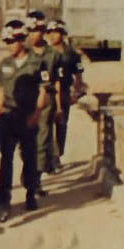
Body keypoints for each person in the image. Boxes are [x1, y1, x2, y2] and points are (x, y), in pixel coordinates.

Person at [0, 19, 49, 221]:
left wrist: (36, 115)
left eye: (13, 41)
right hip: (8, 116)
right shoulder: (3, 64)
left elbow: (43, 91)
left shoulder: (38, 62)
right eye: (6, 41)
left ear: (22, 40)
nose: (9, 45)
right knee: (5, 160)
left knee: (29, 157)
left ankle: (30, 193)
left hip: (27, 116)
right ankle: (4, 201)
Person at [26, 11, 61, 185]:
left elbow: (58, 82)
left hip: (46, 101)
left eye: (38, 30)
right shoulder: (23, 53)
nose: (35, 34)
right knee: (26, 143)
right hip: (26, 102)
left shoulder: (53, 54)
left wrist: (60, 107)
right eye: (31, 30)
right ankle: (30, 173)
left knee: (41, 140)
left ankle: (36, 180)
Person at [46, 19, 84, 166]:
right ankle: (51, 157)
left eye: (56, 33)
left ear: (62, 34)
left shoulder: (72, 54)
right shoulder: (45, 53)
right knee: (46, 125)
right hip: (49, 92)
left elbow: (79, 74)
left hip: (64, 92)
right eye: (50, 33)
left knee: (61, 124)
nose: (53, 36)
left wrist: (76, 91)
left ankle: (58, 153)